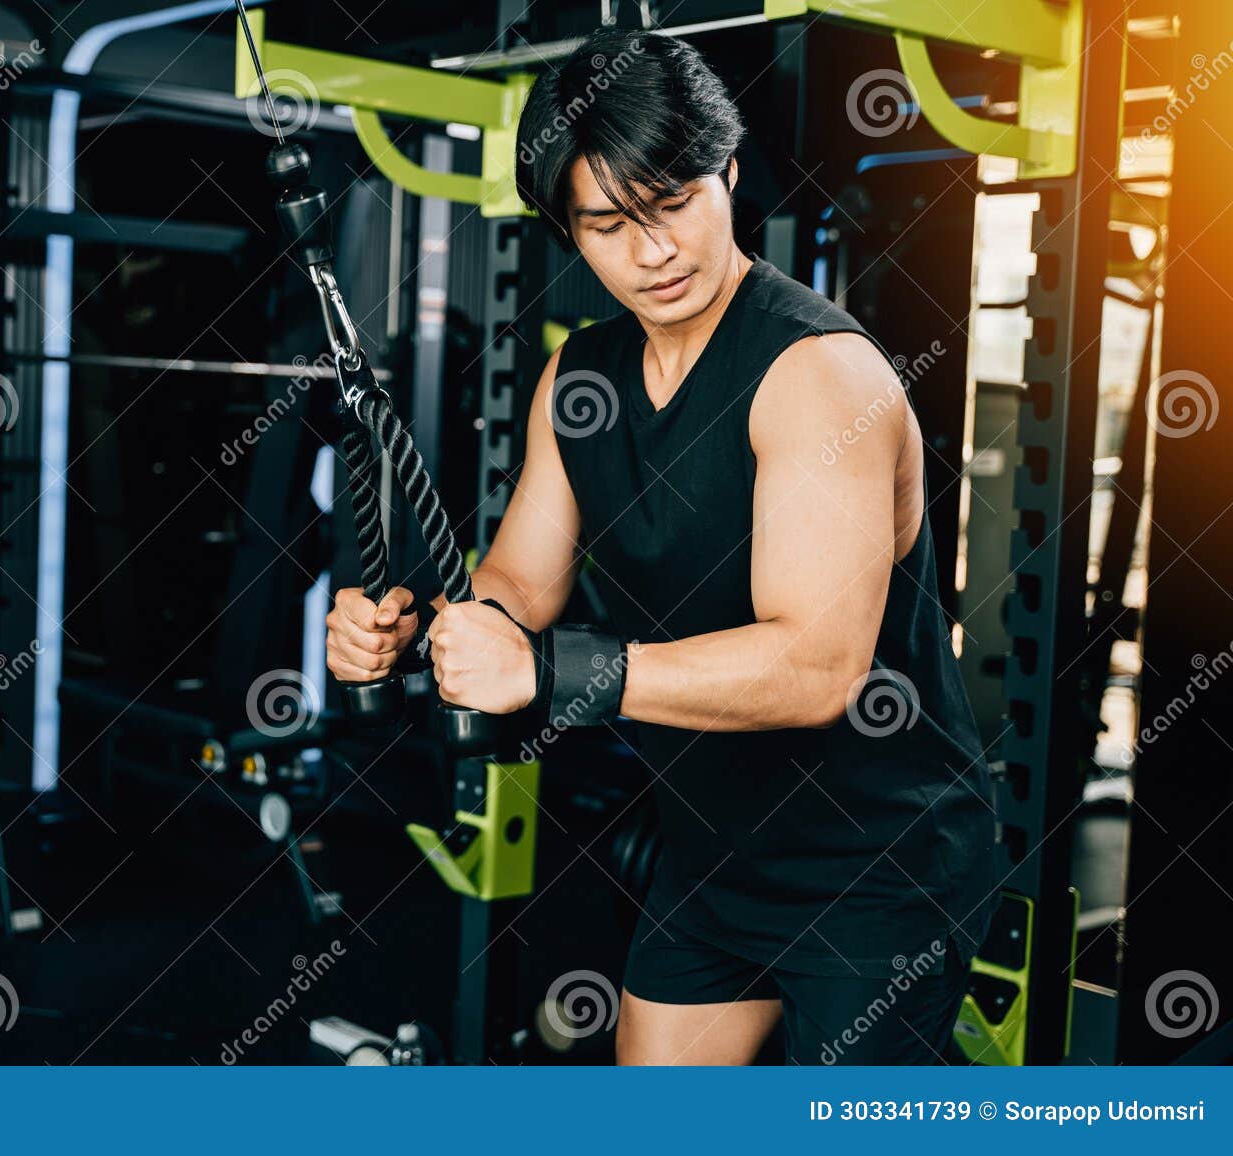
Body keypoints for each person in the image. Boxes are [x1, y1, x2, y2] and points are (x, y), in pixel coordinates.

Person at [324, 27, 997, 1065]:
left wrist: (545, 674)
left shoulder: (814, 375)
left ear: (728, 172)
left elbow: (814, 666)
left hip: (880, 865)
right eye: (608, 224)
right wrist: (423, 629)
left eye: (675, 201)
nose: (655, 251)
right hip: (714, 852)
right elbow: (517, 581)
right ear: (569, 231)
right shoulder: (581, 380)